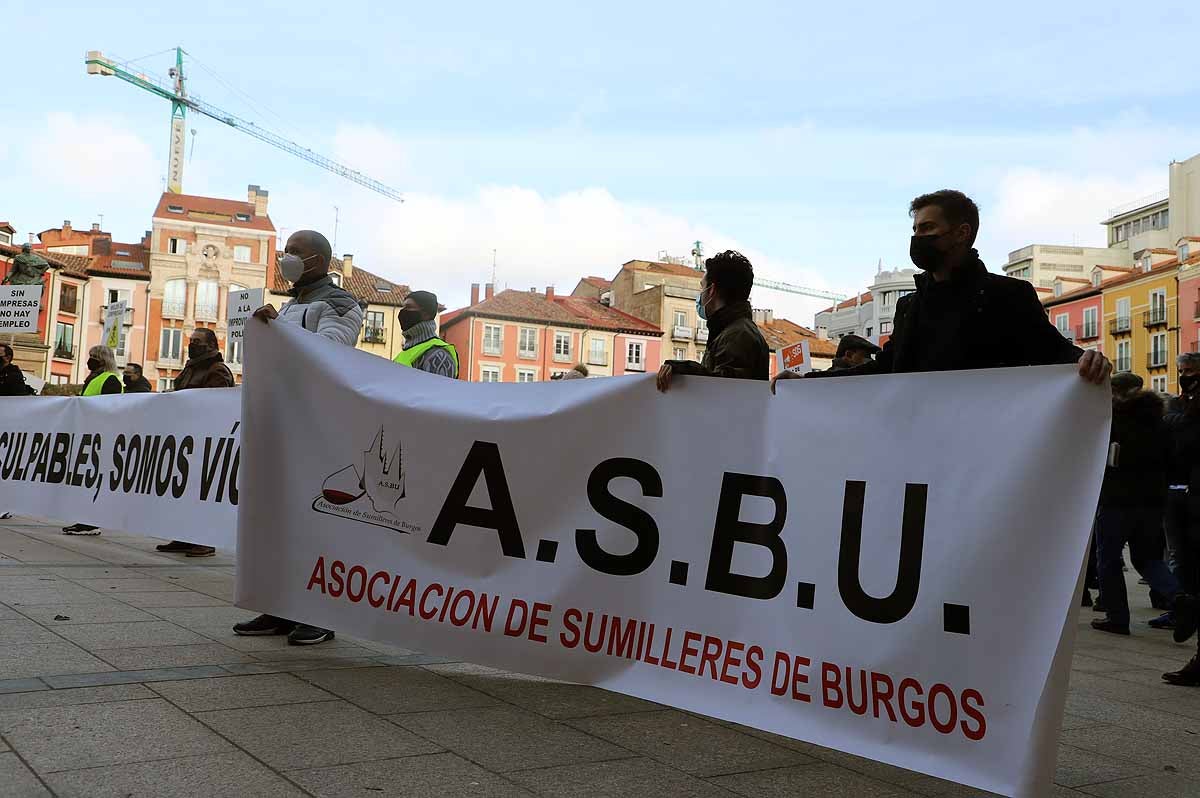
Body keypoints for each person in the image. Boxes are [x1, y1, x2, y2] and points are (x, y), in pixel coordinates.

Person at [773, 190, 1111, 391]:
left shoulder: (1008, 296)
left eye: (928, 228)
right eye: (915, 229)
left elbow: (1052, 351)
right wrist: (810, 385)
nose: (918, 237)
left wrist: (1088, 359)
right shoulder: (909, 306)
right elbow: (884, 369)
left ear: (962, 233)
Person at [233, 230, 362, 646]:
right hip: (285, 423)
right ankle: (282, 606)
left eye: (296, 253)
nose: (287, 258)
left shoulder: (342, 303)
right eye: (286, 251)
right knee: (280, 519)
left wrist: (277, 333)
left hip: (317, 425)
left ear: (321, 261)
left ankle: (320, 613)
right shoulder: (292, 305)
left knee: (315, 518)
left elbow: (327, 354)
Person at [1091, 373, 1183, 636]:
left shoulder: (1113, 421)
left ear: (1116, 392)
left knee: (1108, 559)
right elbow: (1172, 461)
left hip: (1116, 500)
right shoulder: (1160, 421)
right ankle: (1179, 599)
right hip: (1152, 501)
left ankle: (1116, 617)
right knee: (1148, 558)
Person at [155, 328, 234, 558]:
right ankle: (184, 535)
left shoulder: (218, 371)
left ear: (211, 345)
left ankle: (206, 539)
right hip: (185, 437)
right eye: (191, 341)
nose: (191, 345)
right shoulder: (189, 369)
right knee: (183, 490)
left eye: (196, 342)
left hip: (206, 441)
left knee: (203, 492)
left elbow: (215, 405)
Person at [656, 250, 769, 391]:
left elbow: (722, 388)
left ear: (711, 290)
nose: (700, 294)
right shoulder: (734, 330)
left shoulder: (737, 334)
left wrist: (682, 370)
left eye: (702, 286)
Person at [62, 345, 123, 536]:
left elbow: (110, 407)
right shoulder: (94, 378)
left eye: (93, 356)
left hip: (101, 436)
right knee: (86, 479)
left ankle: (90, 522)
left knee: (93, 479)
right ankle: (84, 519)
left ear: (103, 359)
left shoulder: (110, 380)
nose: (90, 360)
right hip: (88, 434)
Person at [393, 290, 458, 378]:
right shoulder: (407, 351)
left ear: (426, 314)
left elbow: (438, 391)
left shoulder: (438, 355)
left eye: (408, 307)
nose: (402, 312)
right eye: (403, 307)